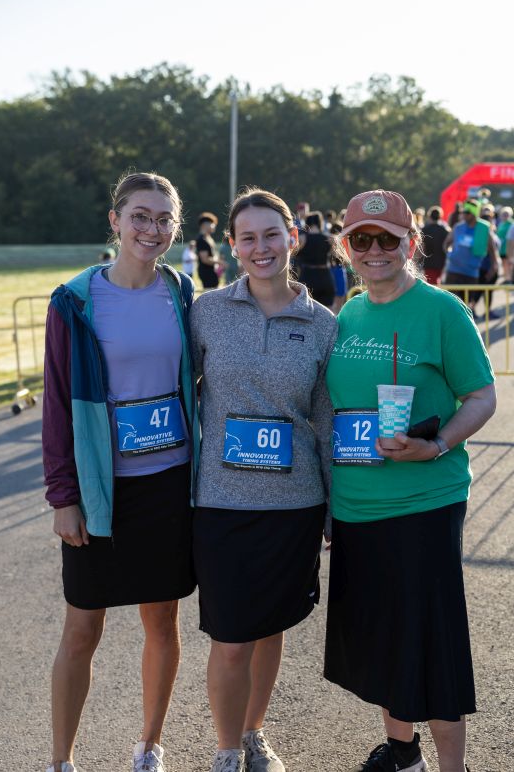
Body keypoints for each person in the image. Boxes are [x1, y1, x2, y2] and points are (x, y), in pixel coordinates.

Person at [324, 189, 496, 772]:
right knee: (381, 640)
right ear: (346, 246)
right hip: (356, 504)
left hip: (424, 500)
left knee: (432, 645)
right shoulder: (349, 313)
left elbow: (482, 395)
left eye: (388, 239)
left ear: (412, 243)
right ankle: (404, 755)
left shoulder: (443, 310)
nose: (374, 250)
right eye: (361, 239)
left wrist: (438, 443)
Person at [42, 171, 200, 772]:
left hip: (168, 483)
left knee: (162, 620)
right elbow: (58, 404)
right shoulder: (74, 300)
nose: (151, 229)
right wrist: (63, 495)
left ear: (174, 228)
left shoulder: (182, 292)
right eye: (139, 216)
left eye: (163, 219)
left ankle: (149, 746)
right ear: (115, 221)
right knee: (83, 627)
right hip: (100, 487)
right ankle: (61, 760)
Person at [190, 188, 338, 772]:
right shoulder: (205, 312)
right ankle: (227, 752)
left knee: (271, 629)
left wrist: (333, 510)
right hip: (222, 504)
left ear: (292, 237)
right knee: (231, 640)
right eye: (248, 237)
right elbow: (179, 394)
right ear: (232, 245)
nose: (261, 247)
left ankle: (253, 734)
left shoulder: (323, 324)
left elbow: (326, 423)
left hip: (294, 507)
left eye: (272, 234)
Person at [443, 198, 499, 316]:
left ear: (474, 214)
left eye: (467, 213)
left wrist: (494, 265)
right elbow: (446, 243)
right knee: (450, 304)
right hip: (453, 272)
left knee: (466, 307)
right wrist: (450, 256)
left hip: (471, 274)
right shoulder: (458, 227)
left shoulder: (484, 228)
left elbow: (492, 250)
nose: (464, 215)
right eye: (463, 212)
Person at [295, 210, 336, 307]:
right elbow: (334, 259)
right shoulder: (329, 239)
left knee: (305, 311)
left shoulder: (302, 239)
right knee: (327, 310)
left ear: (307, 223)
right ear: (320, 223)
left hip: (307, 277)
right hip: (325, 276)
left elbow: (293, 255)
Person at [419, 205, 449, 285]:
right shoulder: (445, 230)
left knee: (432, 285)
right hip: (441, 263)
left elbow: (422, 248)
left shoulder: (425, 230)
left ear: (429, 216)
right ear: (440, 216)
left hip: (429, 263)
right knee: (438, 284)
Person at [197, 211, 220, 289]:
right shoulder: (201, 240)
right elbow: (205, 259)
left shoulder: (208, 238)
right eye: (212, 224)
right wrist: (220, 262)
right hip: (207, 273)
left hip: (211, 272)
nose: (214, 226)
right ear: (205, 225)